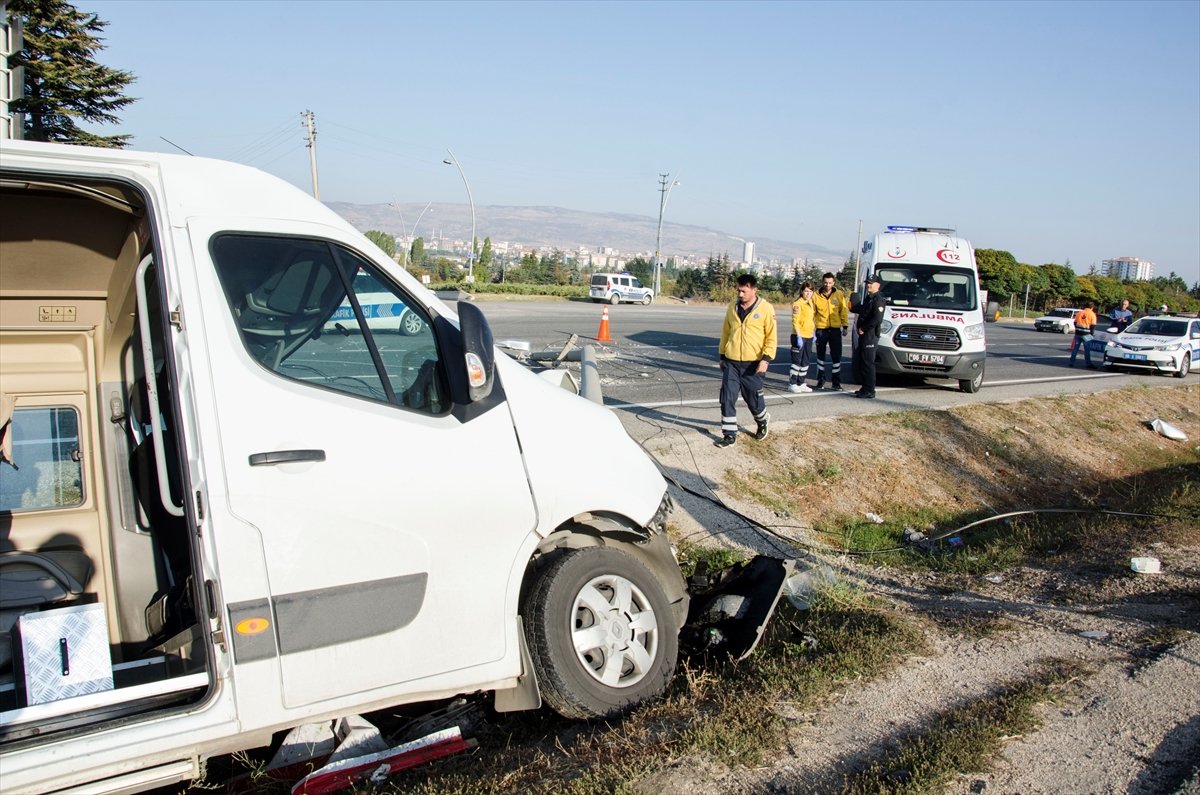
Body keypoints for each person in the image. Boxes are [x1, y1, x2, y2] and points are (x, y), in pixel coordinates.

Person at [716, 273, 777, 447]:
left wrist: (766, 360)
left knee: (753, 399)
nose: (740, 294)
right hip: (732, 362)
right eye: (738, 291)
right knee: (727, 397)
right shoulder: (732, 307)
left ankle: (762, 420)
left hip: (754, 364)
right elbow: (726, 333)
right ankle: (729, 434)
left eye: (743, 291)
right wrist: (722, 355)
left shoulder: (766, 309)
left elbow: (771, 337)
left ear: (753, 289)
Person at [811, 272, 849, 390]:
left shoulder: (839, 294)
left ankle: (836, 382)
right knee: (820, 356)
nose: (827, 285)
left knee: (836, 357)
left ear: (833, 283)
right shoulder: (815, 296)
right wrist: (812, 329)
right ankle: (821, 380)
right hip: (821, 330)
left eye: (830, 283)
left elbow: (843, 311)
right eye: (826, 283)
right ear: (823, 282)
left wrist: (845, 326)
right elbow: (812, 313)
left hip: (835, 330)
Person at [855, 274, 887, 398]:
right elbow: (864, 312)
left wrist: (863, 328)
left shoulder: (878, 299)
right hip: (865, 334)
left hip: (870, 335)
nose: (868, 285)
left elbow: (877, 319)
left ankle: (870, 391)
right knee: (863, 362)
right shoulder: (870, 298)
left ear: (877, 285)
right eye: (868, 282)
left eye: (871, 283)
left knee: (868, 363)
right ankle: (865, 387)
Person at [788, 282, 815, 393]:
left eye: (810, 291)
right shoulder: (798, 304)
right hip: (799, 336)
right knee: (797, 361)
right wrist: (798, 335)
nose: (808, 293)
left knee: (805, 361)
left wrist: (813, 333)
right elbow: (795, 321)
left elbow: (812, 320)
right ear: (802, 292)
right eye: (806, 291)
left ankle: (801, 382)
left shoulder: (811, 303)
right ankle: (792, 383)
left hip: (808, 335)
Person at [1069, 300, 1098, 368]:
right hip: (1086, 334)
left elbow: (1075, 322)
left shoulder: (1080, 313)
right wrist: (1091, 333)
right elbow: (1093, 325)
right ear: (1092, 307)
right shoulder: (1092, 314)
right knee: (1087, 350)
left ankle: (1071, 362)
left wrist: (1077, 328)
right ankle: (1088, 364)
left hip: (1078, 333)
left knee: (1075, 349)